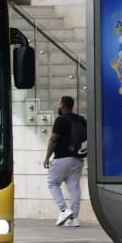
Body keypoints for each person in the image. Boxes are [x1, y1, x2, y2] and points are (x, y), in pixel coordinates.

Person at [42, 95, 85, 227]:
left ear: (63, 105)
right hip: (78, 159)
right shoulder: (81, 119)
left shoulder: (61, 120)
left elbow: (54, 139)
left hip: (62, 158)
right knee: (74, 188)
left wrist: (47, 157)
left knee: (52, 183)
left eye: (59, 104)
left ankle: (63, 210)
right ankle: (74, 218)